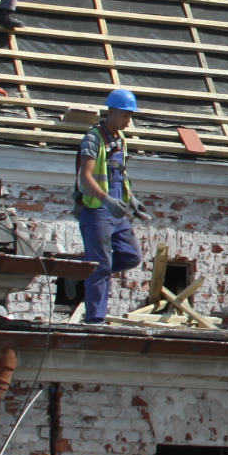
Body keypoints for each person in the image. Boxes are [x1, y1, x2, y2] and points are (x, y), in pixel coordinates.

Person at [74, 88, 143, 325]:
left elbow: (120, 175)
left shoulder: (120, 140)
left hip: (117, 211)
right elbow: (86, 177)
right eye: (125, 115)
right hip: (97, 210)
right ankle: (95, 320)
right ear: (111, 112)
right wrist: (106, 200)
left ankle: (80, 272)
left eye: (130, 115)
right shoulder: (93, 138)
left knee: (132, 256)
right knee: (100, 266)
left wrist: (131, 199)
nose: (128, 120)